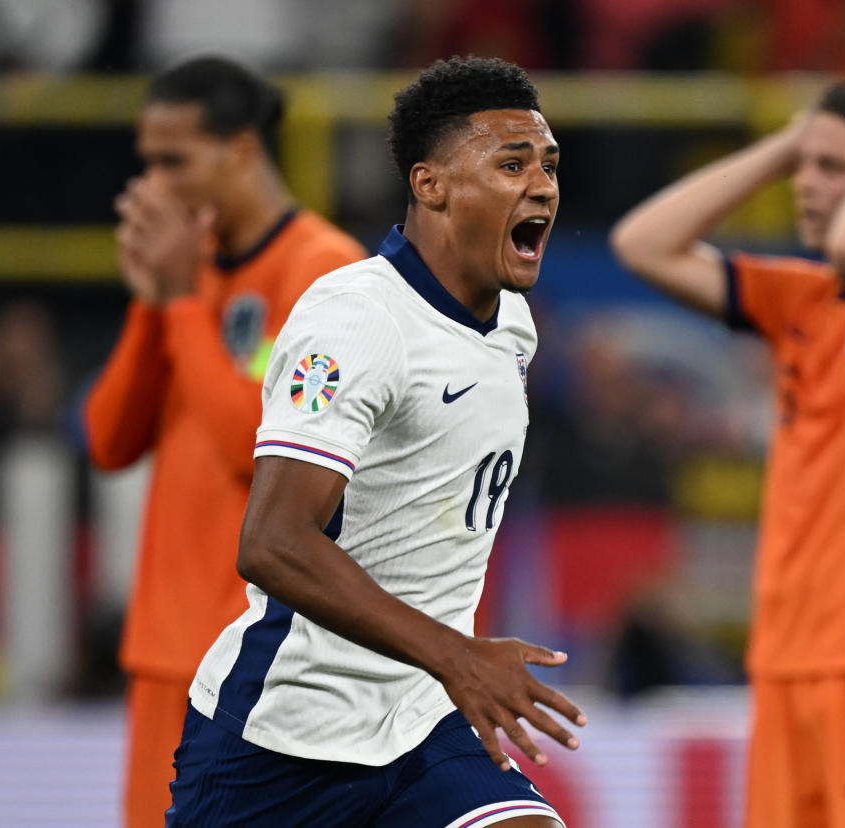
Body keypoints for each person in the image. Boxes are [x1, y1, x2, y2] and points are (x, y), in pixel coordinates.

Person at [167, 56, 582, 828]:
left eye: (549, 165)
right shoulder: (356, 321)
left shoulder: (513, 326)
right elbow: (272, 543)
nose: (544, 186)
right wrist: (460, 657)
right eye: (512, 163)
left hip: (423, 726)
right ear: (431, 186)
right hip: (284, 743)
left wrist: (449, 667)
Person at [611, 81, 845, 828]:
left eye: (832, 168)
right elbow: (642, 244)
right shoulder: (803, 303)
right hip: (785, 665)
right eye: (806, 168)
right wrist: (787, 144)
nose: (807, 187)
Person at [83, 55, 365, 828]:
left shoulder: (326, 273)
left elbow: (255, 446)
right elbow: (109, 441)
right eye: (146, 162)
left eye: (173, 160)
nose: (154, 184)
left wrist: (178, 302)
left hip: (258, 657)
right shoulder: (190, 271)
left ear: (240, 149)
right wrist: (156, 301)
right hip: (163, 649)